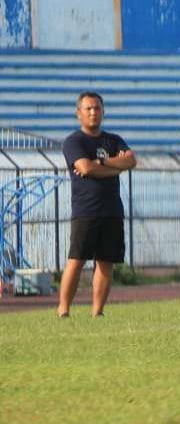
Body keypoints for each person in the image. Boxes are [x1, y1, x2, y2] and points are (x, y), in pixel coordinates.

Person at [57, 92, 137, 317]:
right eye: (89, 108)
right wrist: (115, 167)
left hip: (112, 210)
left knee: (106, 262)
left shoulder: (113, 140)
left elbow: (131, 160)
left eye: (97, 108)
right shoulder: (74, 141)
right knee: (77, 259)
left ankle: (98, 311)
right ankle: (63, 309)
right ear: (78, 113)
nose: (93, 112)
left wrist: (101, 161)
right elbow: (85, 168)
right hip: (86, 210)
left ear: (103, 111)